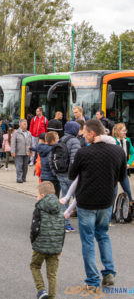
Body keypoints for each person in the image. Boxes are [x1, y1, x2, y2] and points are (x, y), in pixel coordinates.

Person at [69, 119, 126, 290]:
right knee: (103, 235)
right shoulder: (118, 152)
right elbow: (122, 177)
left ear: (92, 133)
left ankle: (93, 280)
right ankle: (108, 273)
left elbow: (72, 175)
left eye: (85, 132)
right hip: (106, 201)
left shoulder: (83, 153)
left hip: (86, 202)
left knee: (88, 240)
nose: (83, 135)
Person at [30, 181, 65, 299]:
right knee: (52, 274)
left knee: (34, 265)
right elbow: (62, 230)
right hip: (55, 247)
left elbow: (35, 228)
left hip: (40, 245)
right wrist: (60, 247)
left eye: (37, 195)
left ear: (43, 196)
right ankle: (52, 296)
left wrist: (33, 241)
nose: (37, 197)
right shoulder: (59, 209)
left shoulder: (39, 208)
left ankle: (41, 290)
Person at [56, 121, 81, 233]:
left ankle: (63, 223)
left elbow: (54, 157)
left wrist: (56, 172)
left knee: (64, 199)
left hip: (61, 173)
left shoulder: (61, 139)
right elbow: (75, 160)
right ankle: (84, 224)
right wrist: (76, 174)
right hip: (71, 175)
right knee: (79, 199)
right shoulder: (74, 141)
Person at [112, 123, 134, 202]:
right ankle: (110, 214)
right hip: (114, 171)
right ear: (118, 131)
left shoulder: (127, 140)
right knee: (113, 194)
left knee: (128, 192)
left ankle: (130, 210)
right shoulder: (112, 141)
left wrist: (129, 163)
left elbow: (133, 153)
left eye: (126, 130)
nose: (126, 132)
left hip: (123, 171)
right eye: (123, 131)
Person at [37, 132, 60, 197]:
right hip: (52, 178)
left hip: (44, 176)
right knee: (54, 198)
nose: (58, 140)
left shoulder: (43, 149)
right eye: (57, 138)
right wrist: (56, 173)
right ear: (53, 141)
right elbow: (51, 164)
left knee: (44, 197)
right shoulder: (53, 151)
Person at [11, 119, 32, 183]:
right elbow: (13, 143)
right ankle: (19, 178)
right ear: (20, 125)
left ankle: (24, 178)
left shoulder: (29, 133)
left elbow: (31, 143)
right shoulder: (16, 133)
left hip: (26, 152)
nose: (26, 125)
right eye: (24, 124)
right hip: (18, 152)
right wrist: (13, 151)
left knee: (25, 167)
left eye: (26, 124)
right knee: (19, 166)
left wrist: (31, 151)